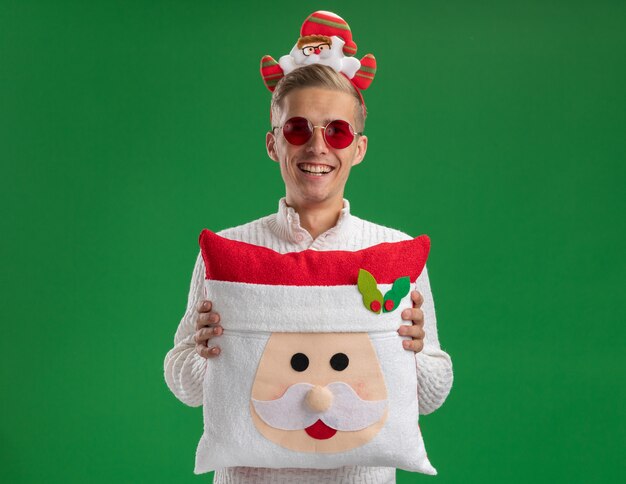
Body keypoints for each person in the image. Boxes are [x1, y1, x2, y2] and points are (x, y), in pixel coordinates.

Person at [165, 12, 452, 484]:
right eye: (298, 129)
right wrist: (202, 350)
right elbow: (188, 388)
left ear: (358, 147)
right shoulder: (229, 250)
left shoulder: (393, 250)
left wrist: (414, 353)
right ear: (273, 144)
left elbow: (427, 396)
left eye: (336, 131)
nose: (317, 146)